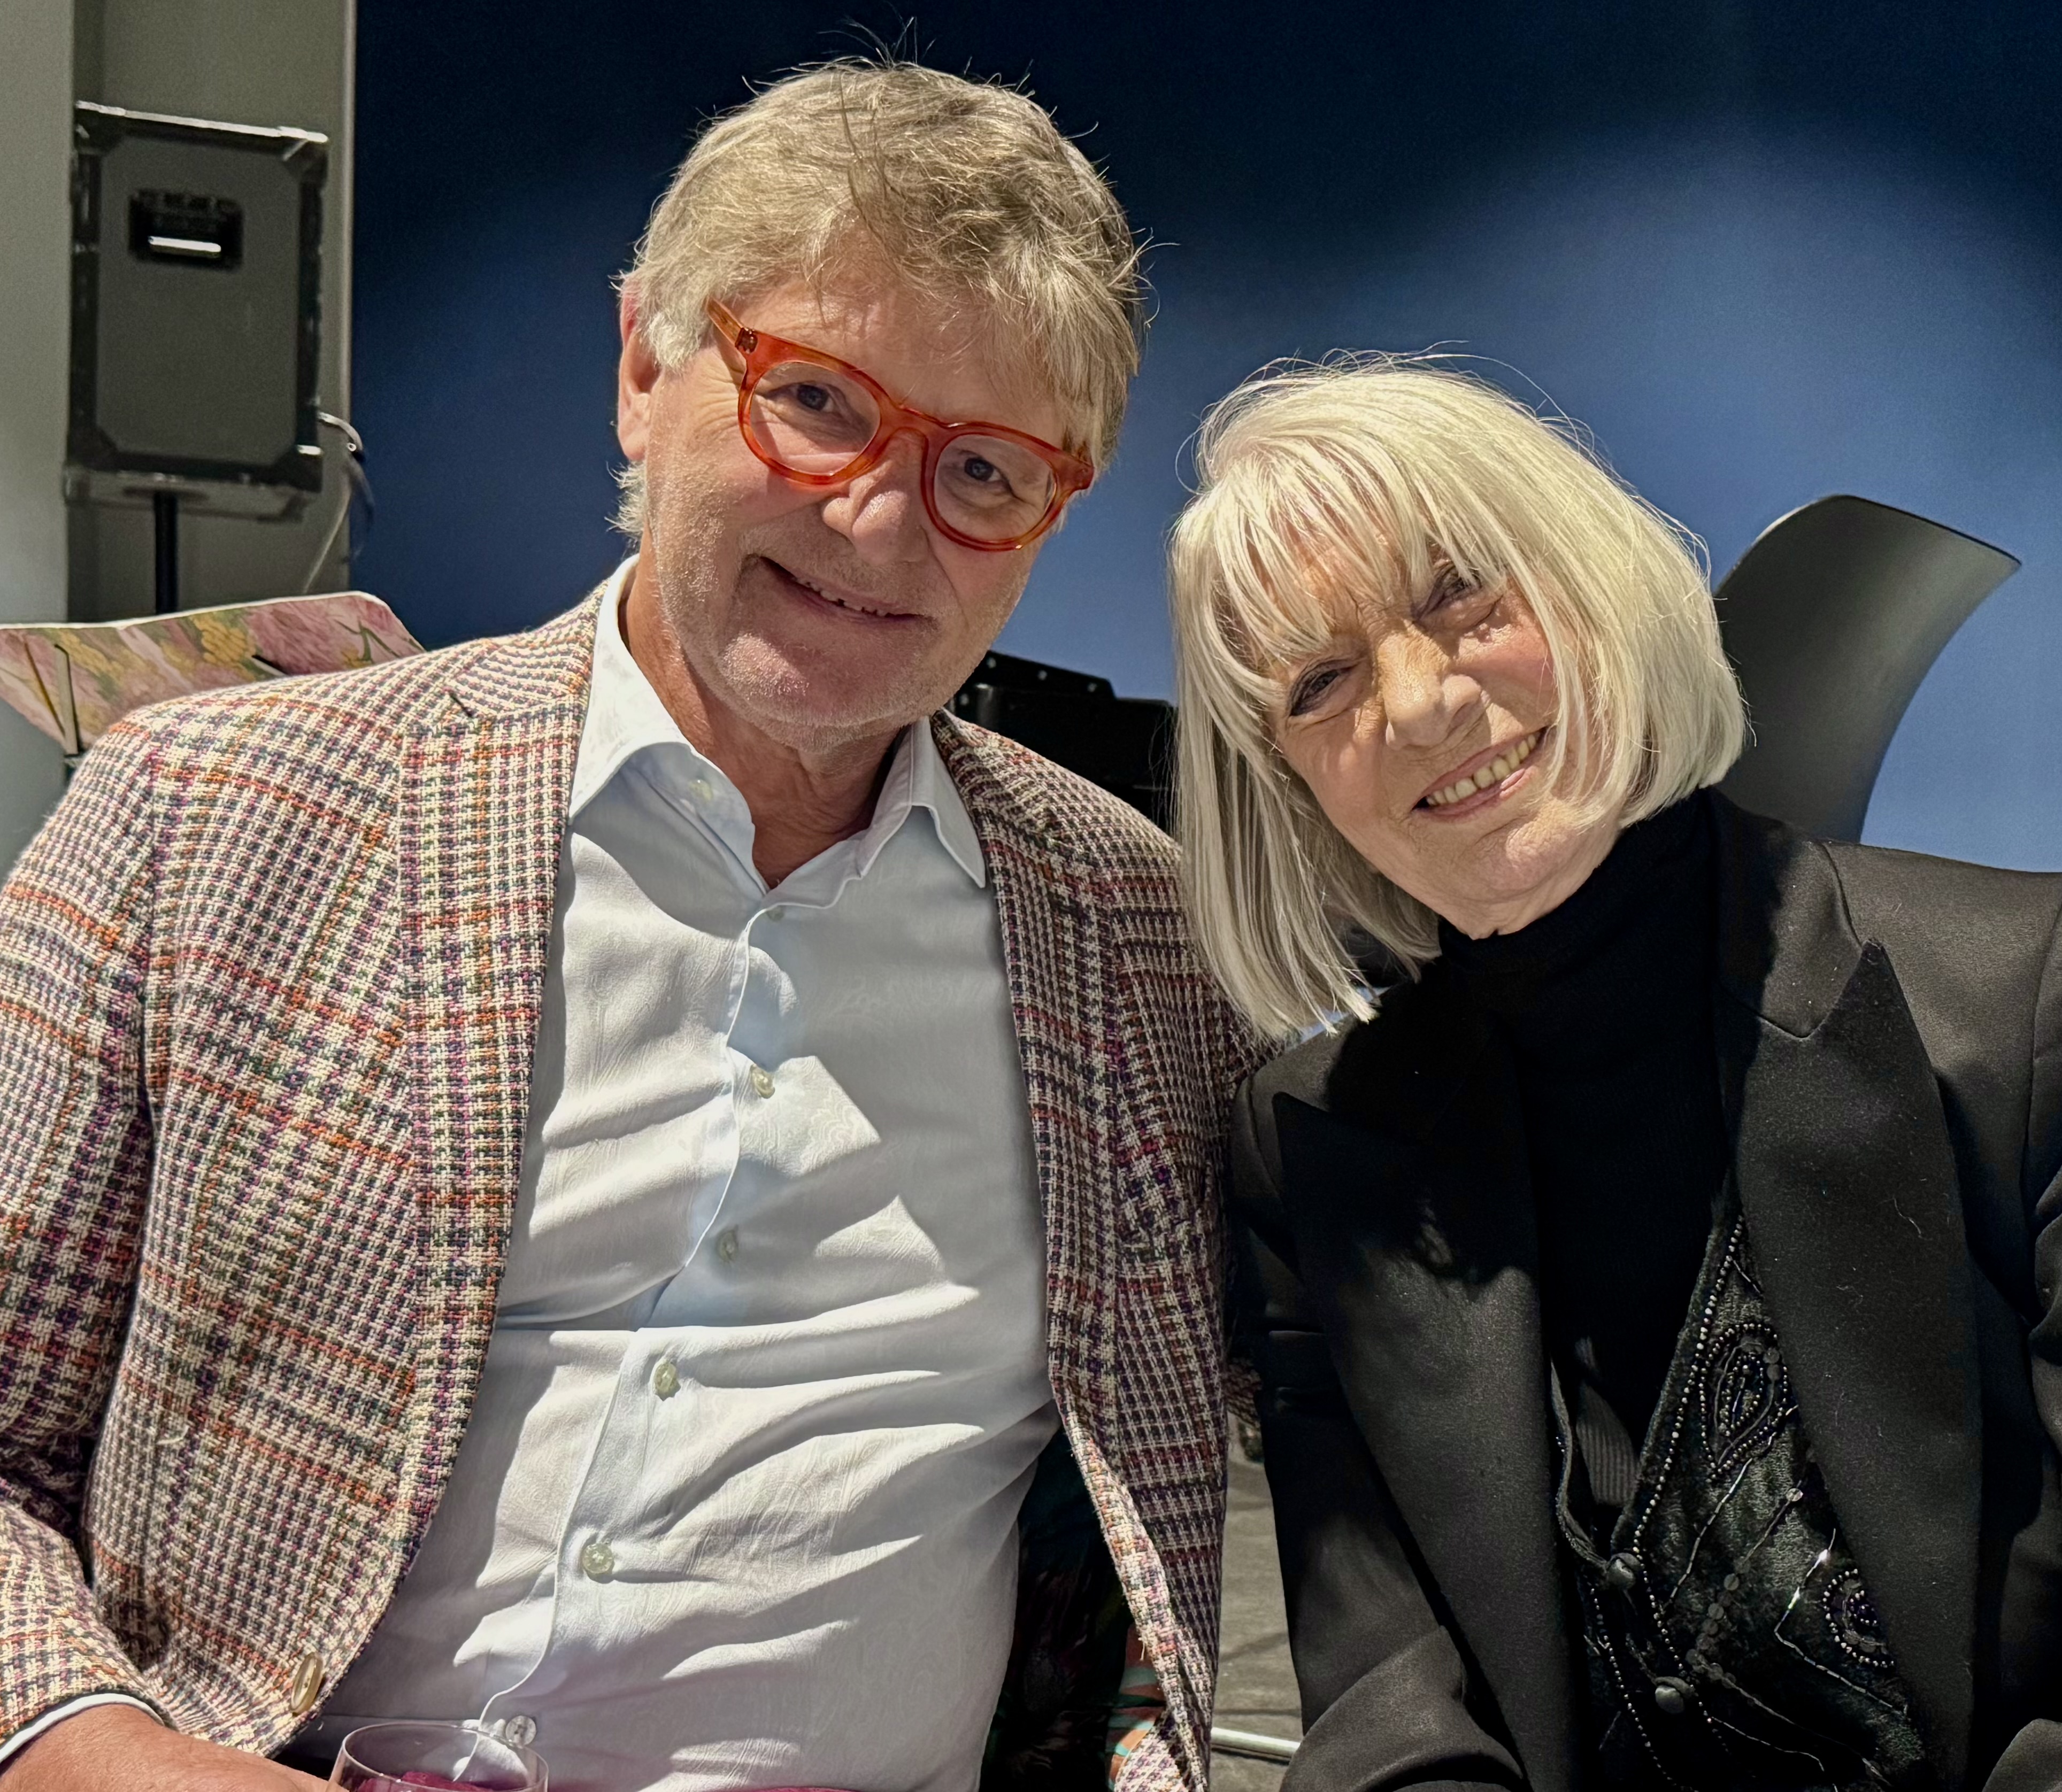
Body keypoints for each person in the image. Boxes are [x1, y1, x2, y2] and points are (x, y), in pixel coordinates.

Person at [0, 60, 1261, 1792]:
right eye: (814, 400)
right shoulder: (212, 813)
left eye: (984, 469)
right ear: (643, 370)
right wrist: (92, 1749)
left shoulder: (1136, 939)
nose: (879, 520)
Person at [1165, 357, 2062, 1790]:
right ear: (1287, 780)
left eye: (1464, 597)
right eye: (1320, 681)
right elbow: (1392, 1722)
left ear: (1598, 590)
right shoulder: (1308, 1146)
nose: (1420, 703)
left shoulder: (2036, 1000)